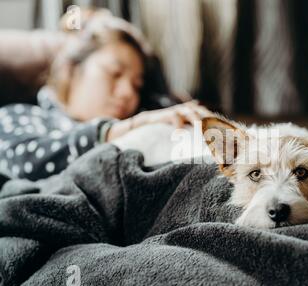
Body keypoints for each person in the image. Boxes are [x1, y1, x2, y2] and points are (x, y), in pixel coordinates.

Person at [0, 12, 210, 181]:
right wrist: (118, 130)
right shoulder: (19, 116)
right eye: (114, 74)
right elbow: (24, 163)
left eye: (137, 86)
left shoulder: (142, 119)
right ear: (70, 69)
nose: (128, 93)